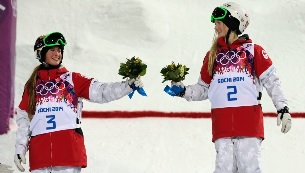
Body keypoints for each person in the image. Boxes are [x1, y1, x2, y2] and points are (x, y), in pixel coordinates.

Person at [170, 2, 292, 173]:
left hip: (249, 126)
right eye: (215, 23)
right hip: (222, 127)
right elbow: (203, 88)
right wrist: (183, 91)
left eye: (219, 23)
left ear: (233, 23)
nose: (215, 27)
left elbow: (272, 82)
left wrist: (283, 108)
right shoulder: (212, 55)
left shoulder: (253, 51)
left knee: (250, 169)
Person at [13, 31, 144, 173]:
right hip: (40, 158)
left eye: (59, 50)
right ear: (41, 53)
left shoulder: (71, 79)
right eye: (52, 50)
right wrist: (20, 148)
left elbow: (101, 91)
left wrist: (128, 86)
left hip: (68, 156)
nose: (57, 54)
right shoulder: (32, 86)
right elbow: (24, 119)